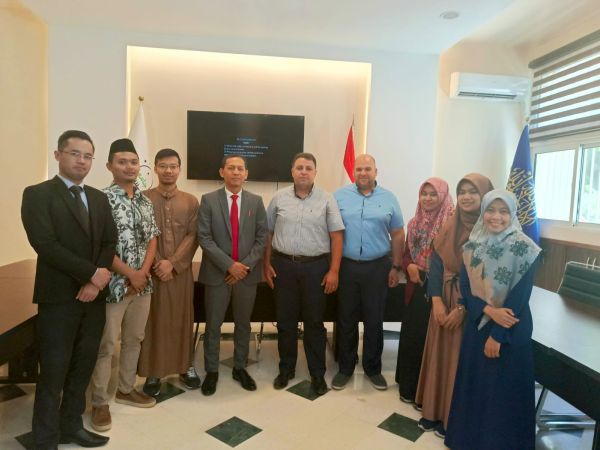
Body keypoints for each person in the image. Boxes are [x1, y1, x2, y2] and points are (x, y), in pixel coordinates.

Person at [21, 130, 117, 449]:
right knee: (53, 370)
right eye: (75, 153)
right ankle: (45, 438)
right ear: (58, 155)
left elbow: (109, 241)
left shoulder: (99, 198)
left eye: (88, 156)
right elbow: (45, 244)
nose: (82, 161)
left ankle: (71, 426)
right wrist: (91, 274)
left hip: (94, 299)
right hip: (59, 298)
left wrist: (95, 282)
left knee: (81, 367)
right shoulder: (37, 194)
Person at [445, 190, 540, 450]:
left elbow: (520, 297)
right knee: (476, 387)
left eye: (503, 211)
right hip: (478, 326)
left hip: (510, 331)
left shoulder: (526, 249)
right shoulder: (472, 246)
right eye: (490, 210)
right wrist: (489, 310)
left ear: (512, 214)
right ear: (483, 212)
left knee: (503, 394)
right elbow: (466, 288)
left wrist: (498, 335)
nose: (496, 217)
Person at [415, 173, 493, 438]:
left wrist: (463, 307)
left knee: (459, 359)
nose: (466, 197)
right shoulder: (450, 224)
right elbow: (437, 264)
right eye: (462, 192)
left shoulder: (491, 231)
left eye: (473, 192)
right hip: (443, 299)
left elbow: (489, 279)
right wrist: (436, 302)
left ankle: (453, 417)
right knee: (440, 355)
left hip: (473, 304)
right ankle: (433, 411)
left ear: (485, 196)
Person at [90, 138, 160, 432]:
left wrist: (142, 273)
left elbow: (152, 238)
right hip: (112, 286)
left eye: (133, 162)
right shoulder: (100, 200)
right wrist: (131, 273)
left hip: (142, 286)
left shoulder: (145, 201)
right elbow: (100, 246)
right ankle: (98, 402)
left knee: (134, 339)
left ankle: (126, 388)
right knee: (106, 344)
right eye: (122, 162)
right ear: (109, 166)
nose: (129, 167)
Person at [264, 152, 345, 396]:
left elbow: (337, 236)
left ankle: (317, 373)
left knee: (314, 323)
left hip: (315, 268)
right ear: (292, 171)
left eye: (308, 168)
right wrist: (266, 264)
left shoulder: (327, 199)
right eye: (299, 167)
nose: (304, 172)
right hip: (283, 266)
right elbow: (267, 233)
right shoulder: (278, 198)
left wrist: (334, 270)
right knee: (285, 321)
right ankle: (286, 369)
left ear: (315, 172)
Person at [332, 154, 404, 391]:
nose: (363, 173)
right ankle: (345, 368)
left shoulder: (389, 198)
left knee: (374, 320)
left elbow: (397, 234)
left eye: (367, 169)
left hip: (377, 267)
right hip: (347, 266)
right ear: (354, 172)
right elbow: (331, 231)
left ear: (376, 171)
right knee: (346, 318)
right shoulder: (339, 196)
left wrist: (396, 266)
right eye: (359, 169)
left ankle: (373, 369)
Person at [197, 155, 267, 396]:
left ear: (246, 174)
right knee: (213, 325)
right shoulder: (208, 200)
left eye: (240, 169)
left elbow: (262, 238)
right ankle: (212, 370)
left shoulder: (256, 201)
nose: (236, 172)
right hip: (217, 274)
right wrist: (229, 266)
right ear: (222, 171)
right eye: (231, 168)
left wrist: (242, 267)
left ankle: (240, 367)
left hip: (246, 275)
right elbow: (204, 237)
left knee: (243, 324)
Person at [138, 149, 200, 396]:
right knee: (153, 321)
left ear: (179, 169)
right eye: (163, 166)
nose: (168, 170)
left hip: (180, 274)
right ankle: (153, 371)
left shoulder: (190, 201)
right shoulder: (143, 199)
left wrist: (172, 264)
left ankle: (185, 366)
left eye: (173, 166)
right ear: (155, 168)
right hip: (151, 272)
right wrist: (157, 263)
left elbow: (193, 235)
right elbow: (141, 236)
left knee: (182, 319)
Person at [395, 177, 454, 402]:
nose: (427, 199)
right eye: (424, 194)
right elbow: (406, 253)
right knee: (414, 336)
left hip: (443, 290)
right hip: (417, 286)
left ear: (443, 196)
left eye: (433, 194)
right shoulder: (414, 223)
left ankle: (429, 394)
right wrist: (409, 265)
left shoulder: (452, 223)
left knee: (435, 341)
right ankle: (409, 387)